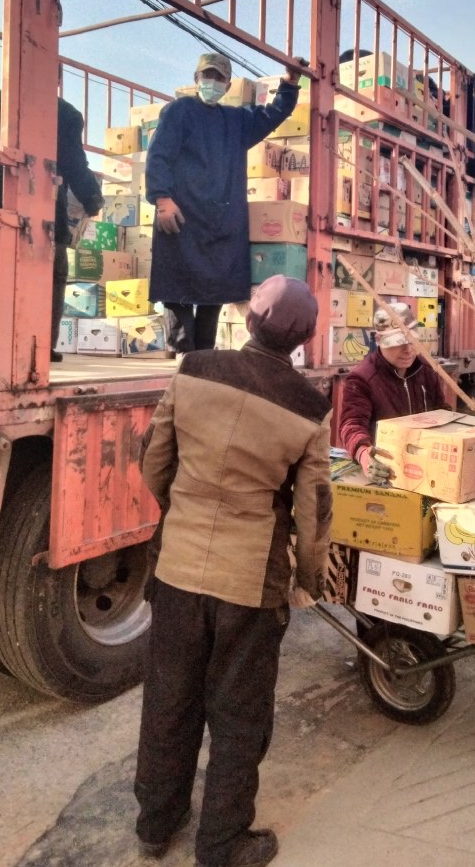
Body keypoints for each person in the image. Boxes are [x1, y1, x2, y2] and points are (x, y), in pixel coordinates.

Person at [134, 275, 332, 867]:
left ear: (249, 319)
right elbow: (313, 512)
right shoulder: (309, 407)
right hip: (250, 582)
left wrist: (186, 507)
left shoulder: (194, 369)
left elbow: (153, 462)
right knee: (239, 712)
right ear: (302, 339)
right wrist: (310, 580)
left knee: (168, 700)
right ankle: (221, 843)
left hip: (176, 571)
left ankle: (155, 824)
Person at [145, 52, 302, 356]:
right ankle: (181, 351)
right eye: (208, 75)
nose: (212, 82)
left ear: (228, 84)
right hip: (179, 214)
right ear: (196, 78)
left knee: (212, 289)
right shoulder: (179, 111)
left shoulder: (235, 120)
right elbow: (158, 155)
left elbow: (272, 115)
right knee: (176, 286)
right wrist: (162, 199)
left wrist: (290, 82)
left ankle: (202, 354)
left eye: (219, 78)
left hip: (220, 219)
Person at [0, 89, 103, 361]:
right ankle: (41, 347)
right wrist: (93, 200)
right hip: (44, 210)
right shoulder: (65, 114)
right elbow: (74, 164)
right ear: (58, 78)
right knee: (51, 273)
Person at [339, 302, 446, 484]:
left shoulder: (426, 371)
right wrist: (365, 455)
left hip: (427, 470)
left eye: (411, 341)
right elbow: (351, 425)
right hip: (387, 472)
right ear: (379, 340)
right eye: (399, 343)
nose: (408, 350)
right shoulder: (362, 379)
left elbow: (443, 412)